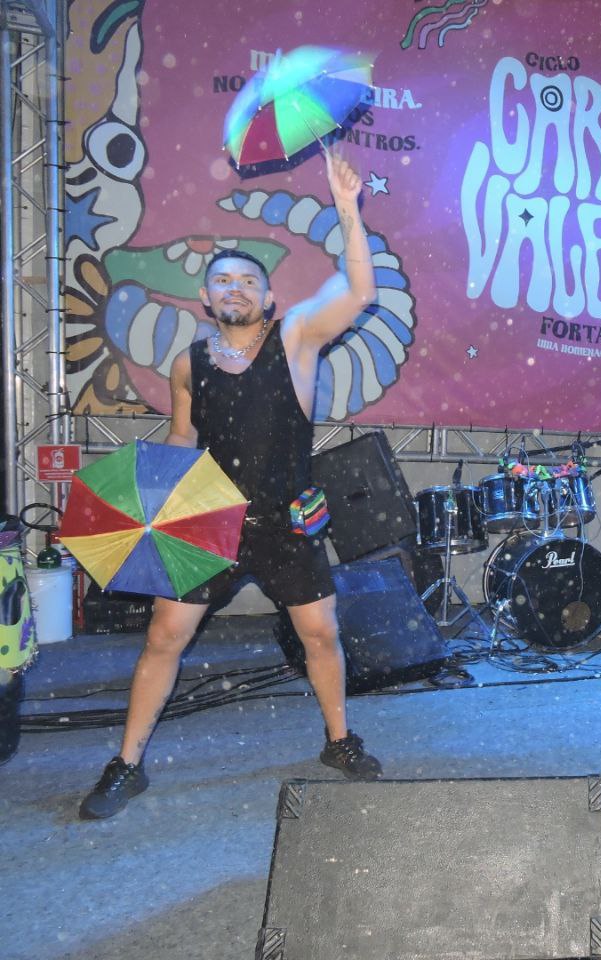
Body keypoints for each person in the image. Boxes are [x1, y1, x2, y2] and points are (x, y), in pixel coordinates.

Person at [79, 152, 382, 820]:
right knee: (164, 637)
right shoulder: (188, 363)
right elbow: (182, 438)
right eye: (223, 280)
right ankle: (126, 764)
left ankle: (339, 740)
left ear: (268, 298)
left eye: (248, 280)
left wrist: (347, 209)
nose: (235, 288)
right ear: (206, 298)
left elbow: (360, 292)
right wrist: (145, 508)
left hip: (286, 520)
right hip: (208, 520)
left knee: (320, 636)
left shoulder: (296, 338)